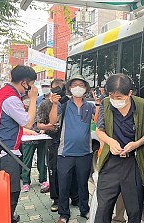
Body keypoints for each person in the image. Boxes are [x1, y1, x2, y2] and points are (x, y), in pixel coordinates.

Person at [95, 73, 144, 223]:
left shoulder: (143, 106)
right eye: (111, 96)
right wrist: (110, 142)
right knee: (103, 207)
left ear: (130, 93)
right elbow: (99, 130)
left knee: (134, 208)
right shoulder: (106, 104)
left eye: (119, 97)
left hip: (133, 163)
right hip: (111, 162)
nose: (114, 100)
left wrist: (136, 144)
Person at [50, 74, 99, 223]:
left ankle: (85, 210)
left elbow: (97, 123)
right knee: (63, 185)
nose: (78, 87)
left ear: (86, 89)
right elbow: (52, 121)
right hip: (65, 153)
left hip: (85, 153)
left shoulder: (90, 106)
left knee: (83, 184)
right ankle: (64, 214)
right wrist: (53, 104)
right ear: (70, 88)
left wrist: (97, 105)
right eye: (75, 85)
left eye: (82, 85)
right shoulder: (63, 104)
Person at [0, 65, 38, 223]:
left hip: (5, 147)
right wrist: (34, 98)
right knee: (11, 191)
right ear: (24, 83)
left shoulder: (4, 93)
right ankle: (7, 217)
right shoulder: (11, 98)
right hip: (7, 152)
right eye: (31, 84)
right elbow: (28, 122)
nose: (31, 88)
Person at [37, 79, 79, 212]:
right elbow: (38, 124)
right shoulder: (45, 104)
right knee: (54, 171)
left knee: (73, 170)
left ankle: (75, 197)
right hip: (53, 142)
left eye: (60, 89)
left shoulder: (70, 103)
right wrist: (47, 126)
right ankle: (56, 199)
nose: (58, 92)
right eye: (55, 89)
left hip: (69, 142)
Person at [20, 94, 49, 193]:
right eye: (25, 99)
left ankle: (43, 180)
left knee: (42, 160)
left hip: (40, 138)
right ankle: (26, 182)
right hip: (27, 140)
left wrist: (43, 131)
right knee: (26, 161)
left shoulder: (39, 108)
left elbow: (44, 121)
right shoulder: (20, 111)